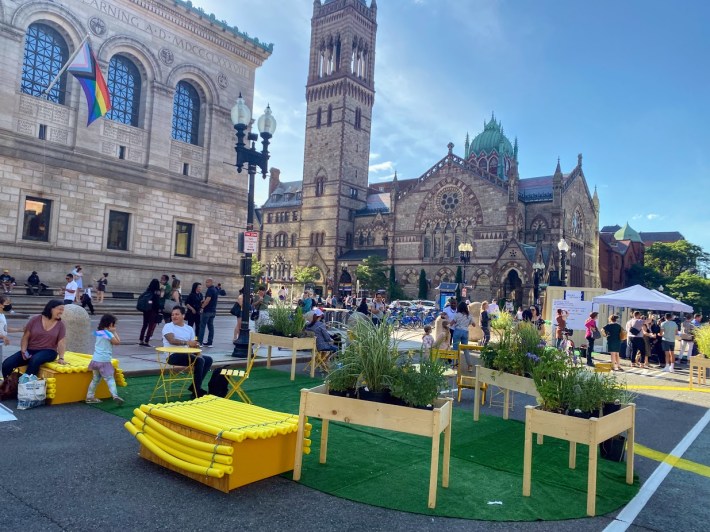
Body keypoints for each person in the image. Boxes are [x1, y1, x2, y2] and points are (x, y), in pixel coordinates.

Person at [2, 300, 67, 379]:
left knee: (35, 359)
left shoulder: (61, 324)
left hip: (49, 351)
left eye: (63, 310)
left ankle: (26, 382)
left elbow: (61, 342)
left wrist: (61, 358)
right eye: (60, 309)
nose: (61, 312)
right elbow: (26, 336)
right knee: (7, 364)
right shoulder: (35, 319)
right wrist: (23, 350)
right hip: (30, 350)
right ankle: (8, 385)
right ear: (51, 308)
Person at [162, 306, 212, 398]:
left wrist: (197, 350)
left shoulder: (189, 328)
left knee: (208, 359)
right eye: (172, 315)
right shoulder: (168, 326)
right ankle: (196, 391)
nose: (174, 316)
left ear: (183, 316)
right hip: (172, 355)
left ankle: (194, 387)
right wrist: (187, 342)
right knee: (199, 361)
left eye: (177, 314)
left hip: (187, 355)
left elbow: (192, 346)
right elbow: (172, 340)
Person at [85, 314, 124, 405]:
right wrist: (114, 332)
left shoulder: (99, 332)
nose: (114, 326)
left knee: (95, 379)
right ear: (110, 324)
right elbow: (117, 342)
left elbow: (95, 334)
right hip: (104, 361)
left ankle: (89, 397)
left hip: (95, 360)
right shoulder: (108, 333)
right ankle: (115, 395)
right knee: (110, 379)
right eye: (114, 324)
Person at [0, 295, 24, 364]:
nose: (9, 305)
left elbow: (4, 328)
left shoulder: (2, 315)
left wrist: (20, 329)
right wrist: (3, 337)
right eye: (7, 303)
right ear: (0, 305)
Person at [138, 279, 162, 347]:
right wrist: (160, 309)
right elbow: (157, 302)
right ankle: (147, 341)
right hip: (153, 311)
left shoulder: (148, 290)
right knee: (150, 326)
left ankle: (141, 340)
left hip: (146, 310)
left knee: (144, 325)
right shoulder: (157, 292)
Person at [451, 301, 475, 367]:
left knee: (455, 348)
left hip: (457, 331)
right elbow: (474, 324)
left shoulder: (457, 314)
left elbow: (451, 323)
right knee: (466, 349)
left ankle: (454, 364)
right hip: (465, 332)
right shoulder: (469, 315)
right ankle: (469, 365)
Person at [199, 278, 218, 347]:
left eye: (207, 282)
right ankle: (210, 342)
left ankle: (200, 342)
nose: (206, 284)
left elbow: (208, 300)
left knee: (202, 326)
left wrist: (202, 307)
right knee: (210, 326)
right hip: (213, 311)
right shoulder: (215, 290)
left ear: (211, 282)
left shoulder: (210, 290)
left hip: (207, 311)